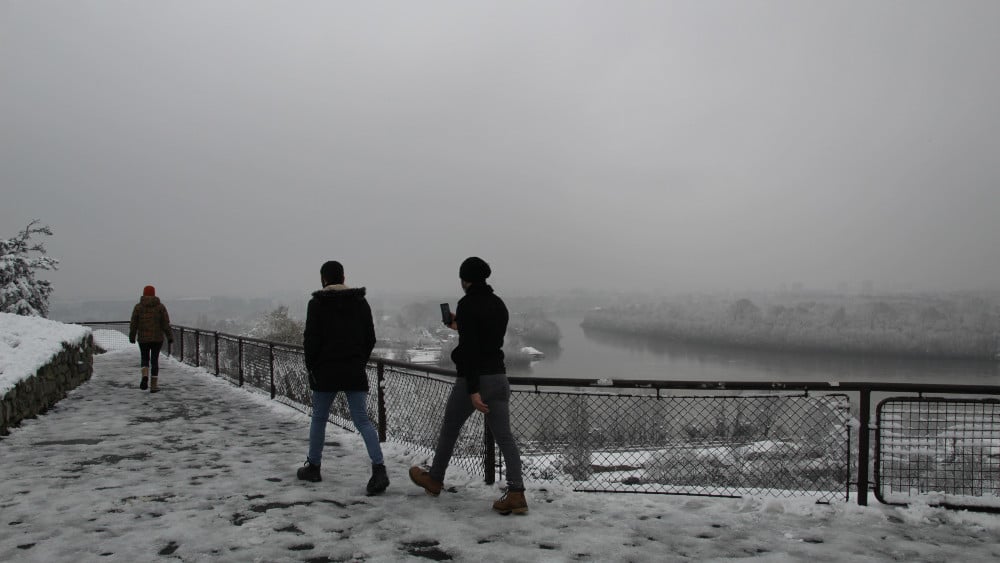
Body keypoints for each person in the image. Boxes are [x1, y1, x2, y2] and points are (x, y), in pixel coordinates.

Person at [409, 257, 528, 515]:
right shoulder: (499, 304)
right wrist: (460, 325)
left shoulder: (467, 303)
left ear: (465, 280)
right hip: (498, 377)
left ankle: (435, 479)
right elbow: (485, 338)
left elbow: (471, 350)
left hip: (473, 381)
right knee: (505, 438)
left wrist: (473, 390)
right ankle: (517, 493)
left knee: (450, 428)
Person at [297, 260, 389, 496]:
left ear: (323, 279)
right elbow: (370, 337)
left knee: (319, 418)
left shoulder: (316, 304)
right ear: (343, 277)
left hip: (325, 371)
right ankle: (379, 468)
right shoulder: (360, 302)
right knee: (362, 420)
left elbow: (311, 340)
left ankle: (314, 466)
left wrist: (312, 367)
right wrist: (359, 360)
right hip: (352, 369)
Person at [128, 285, 174, 393]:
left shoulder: (138, 307)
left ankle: (145, 376)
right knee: (154, 360)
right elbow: (165, 323)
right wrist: (170, 336)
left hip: (143, 339)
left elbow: (133, 324)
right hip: (157, 339)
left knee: (144, 358)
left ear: (143, 294)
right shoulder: (160, 307)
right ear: (154, 294)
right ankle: (153, 386)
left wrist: (132, 336)